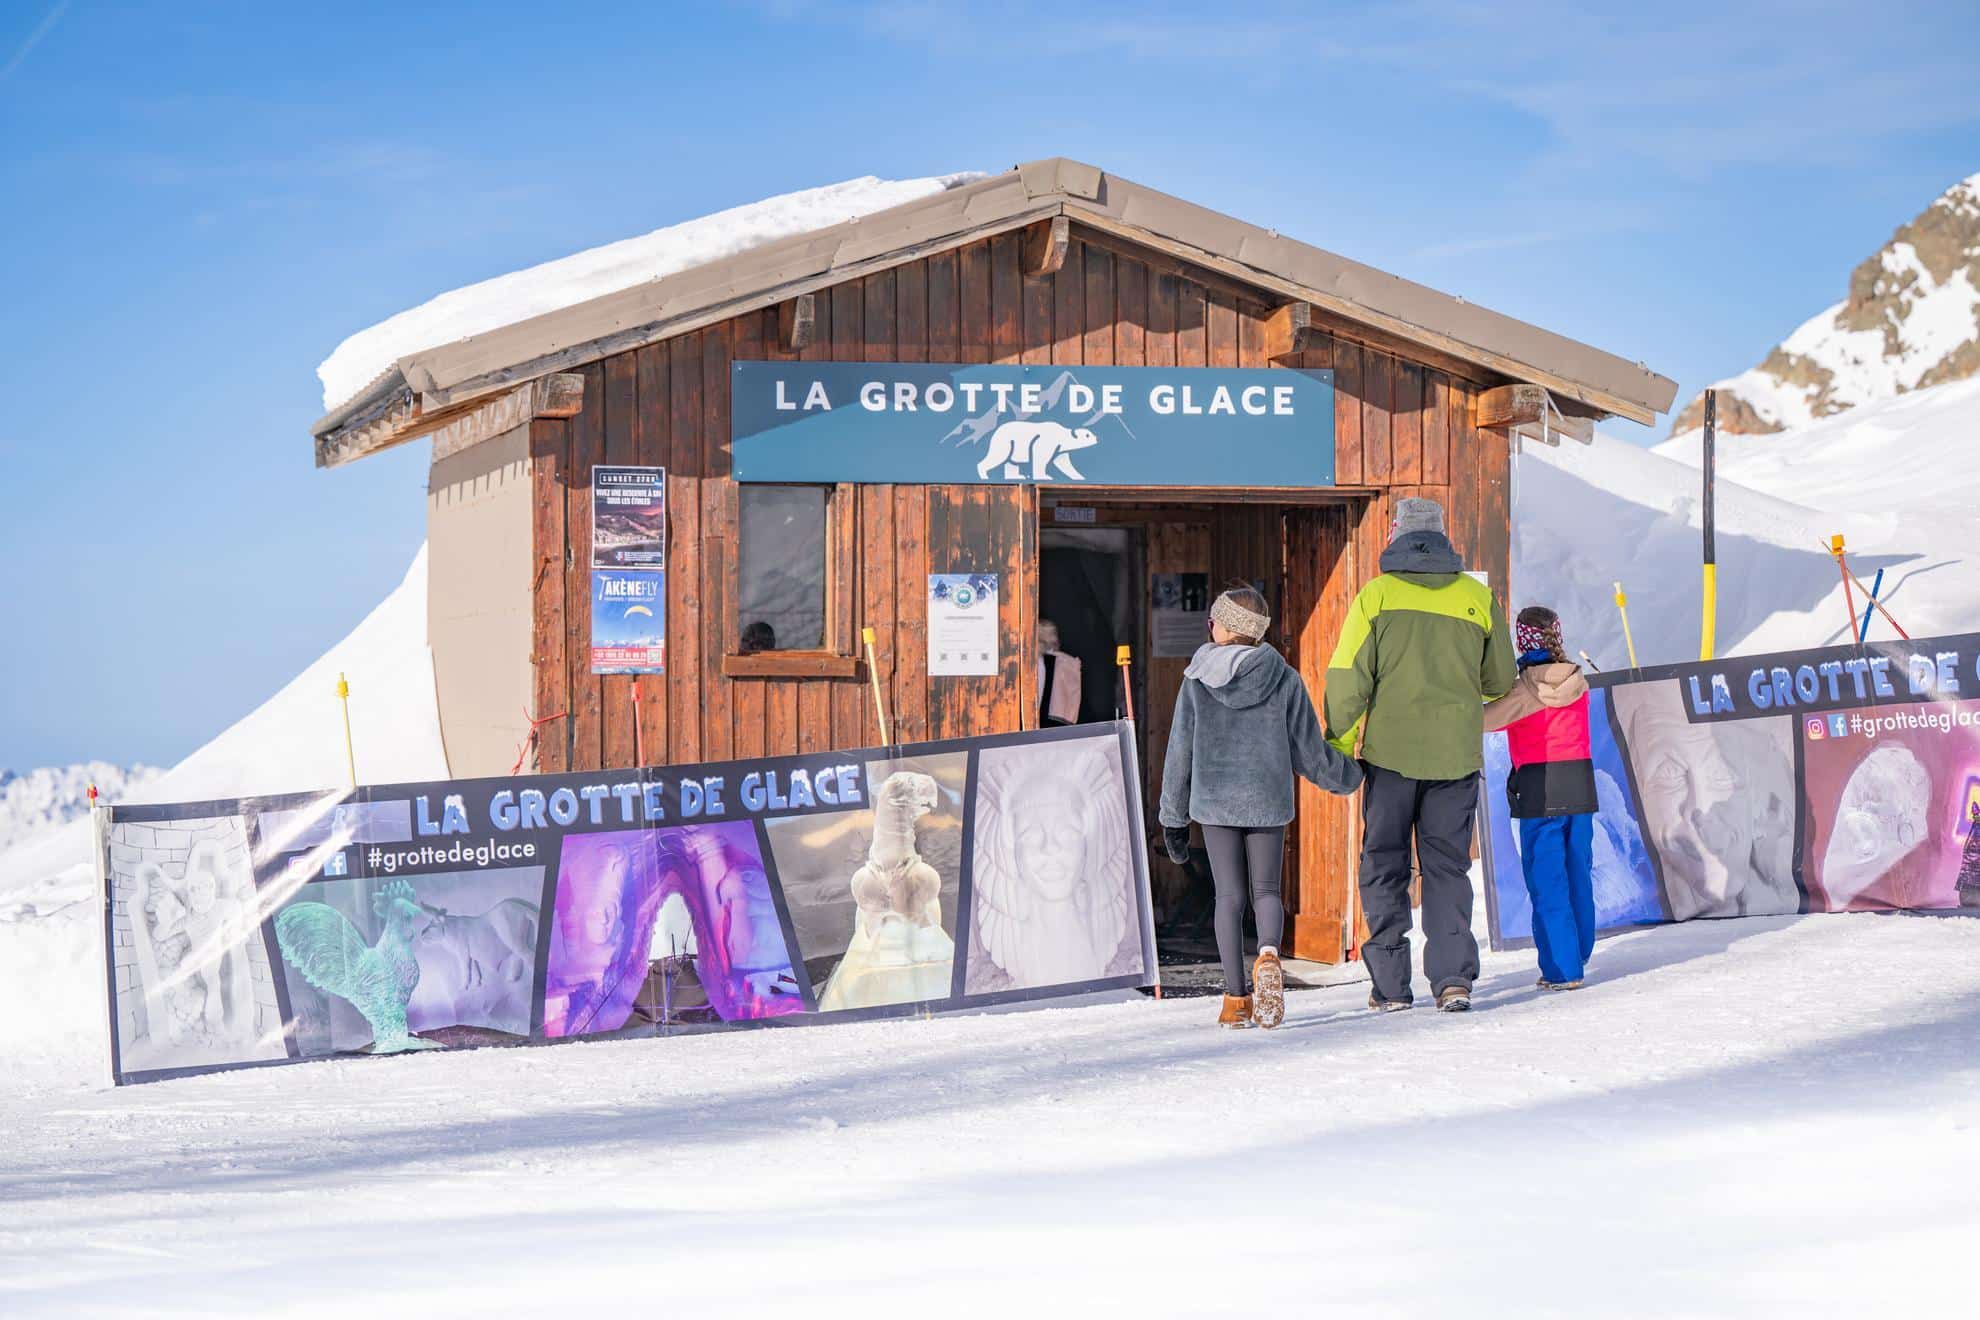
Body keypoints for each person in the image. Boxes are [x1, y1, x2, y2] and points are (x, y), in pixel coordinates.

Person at [1324, 497, 1514, 1013]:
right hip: (1455, 759)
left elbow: (1347, 679)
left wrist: (1339, 745)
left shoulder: (1376, 596)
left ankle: (1389, 988)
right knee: (1447, 868)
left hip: (1390, 760)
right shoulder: (1476, 597)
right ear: (1443, 535)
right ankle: (1453, 981)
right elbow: (1499, 681)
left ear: (1396, 535)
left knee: (1384, 865)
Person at [1159, 586, 1364, 1029]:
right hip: (1267, 800)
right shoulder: (1284, 677)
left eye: (1214, 619)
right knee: (1266, 892)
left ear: (1228, 626)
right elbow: (1309, 751)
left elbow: (1179, 754)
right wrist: (1351, 775)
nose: (1208, 625)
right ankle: (1269, 954)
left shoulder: (1197, 678)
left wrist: (1172, 820)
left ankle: (1236, 1001)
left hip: (1214, 804)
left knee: (1228, 898)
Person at [1482, 606, 1599, 990]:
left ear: (1521, 640)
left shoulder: (1526, 690)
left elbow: (1484, 721)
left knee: (1548, 881)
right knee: (1577, 874)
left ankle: (1562, 970)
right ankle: (1578, 950)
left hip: (1539, 789)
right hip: (1580, 787)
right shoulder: (1577, 681)